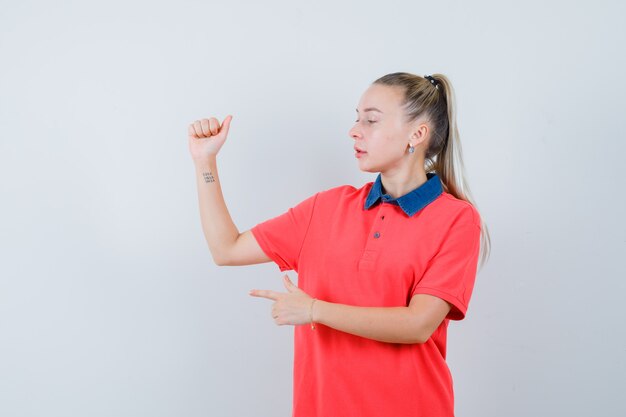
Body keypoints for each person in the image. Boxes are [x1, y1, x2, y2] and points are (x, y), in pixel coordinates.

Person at [187, 72, 491, 417]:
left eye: (371, 120)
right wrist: (205, 162)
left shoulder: (457, 219)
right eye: (356, 117)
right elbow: (226, 249)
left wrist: (314, 310)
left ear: (417, 134)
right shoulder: (325, 208)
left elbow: (418, 325)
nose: (354, 130)